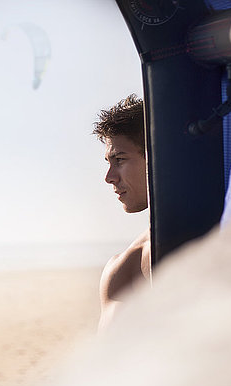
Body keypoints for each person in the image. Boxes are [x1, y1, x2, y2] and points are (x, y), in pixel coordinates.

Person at [92, 94, 151, 330]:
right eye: (108, 162)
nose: (109, 177)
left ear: (156, 155)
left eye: (120, 159)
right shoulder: (125, 267)